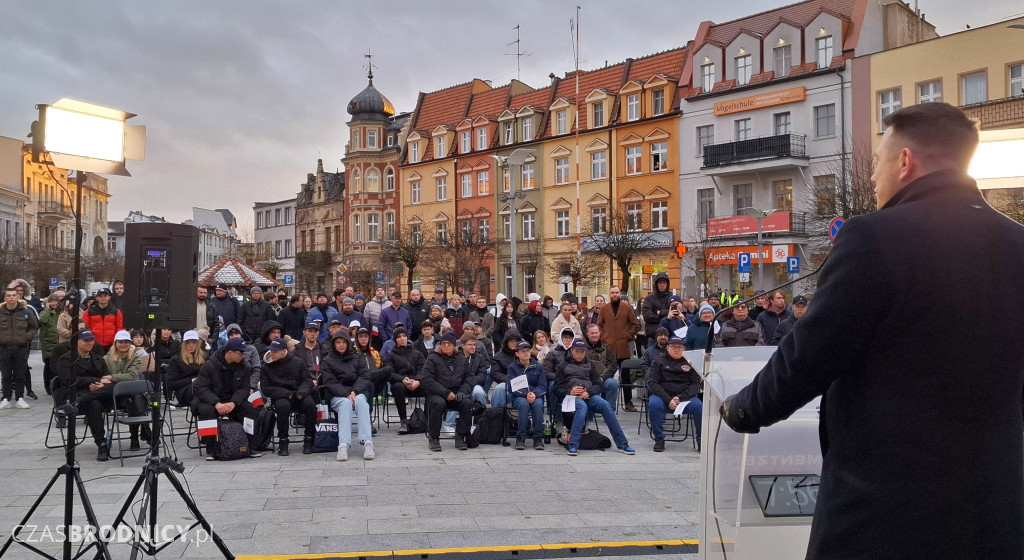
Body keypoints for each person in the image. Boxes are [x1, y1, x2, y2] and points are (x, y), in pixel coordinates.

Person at [721, 102, 1024, 558]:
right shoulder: (1017, 243)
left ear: (905, 162)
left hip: (887, 504)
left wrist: (743, 409)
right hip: (994, 505)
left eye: (879, 161)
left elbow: (811, 353)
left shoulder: (875, 236)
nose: (871, 177)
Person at [556, 339, 635, 456]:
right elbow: (556, 388)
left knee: (606, 405)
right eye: (577, 351)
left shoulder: (590, 364)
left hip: (588, 395)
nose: (580, 354)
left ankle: (622, 443)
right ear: (571, 350)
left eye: (582, 352)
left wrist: (589, 393)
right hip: (572, 397)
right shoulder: (563, 365)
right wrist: (570, 392)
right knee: (582, 407)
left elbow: (598, 385)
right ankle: (573, 444)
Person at [192, 337, 262, 460]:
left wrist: (234, 402)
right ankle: (211, 449)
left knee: (248, 408)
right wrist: (216, 403)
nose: (243, 356)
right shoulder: (210, 365)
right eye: (240, 353)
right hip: (210, 400)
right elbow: (200, 388)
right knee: (206, 411)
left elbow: (245, 388)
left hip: (232, 399)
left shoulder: (244, 367)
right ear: (230, 353)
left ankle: (250, 445)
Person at [53, 329, 113, 460]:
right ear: (76, 342)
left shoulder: (98, 359)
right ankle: (101, 443)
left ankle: (141, 434)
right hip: (76, 395)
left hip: (99, 393)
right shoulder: (66, 359)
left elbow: (106, 378)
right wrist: (95, 381)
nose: (90, 343)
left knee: (125, 391)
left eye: (91, 339)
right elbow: (67, 380)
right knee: (94, 404)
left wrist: (101, 384)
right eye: (86, 340)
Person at [322, 331, 375, 461]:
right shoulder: (327, 360)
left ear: (348, 343)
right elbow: (329, 382)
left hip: (357, 392)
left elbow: (364, 376)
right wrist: (346, 394)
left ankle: (367, 442)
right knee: (345, 404)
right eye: (338, 342)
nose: (341, 345)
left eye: (344, 342)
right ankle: (343, 445)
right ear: (333, 344)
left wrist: (354, 392)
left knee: (362, 402)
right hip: (337, 395)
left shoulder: (357, 357)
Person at [421, 332, 479, 452]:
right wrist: (445, 393)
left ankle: (460, 436)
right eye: (444, 344)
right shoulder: (432, 358)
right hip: (438, 394)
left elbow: (470, 378)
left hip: (457, 393)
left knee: (467, 403)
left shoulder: (461, 359)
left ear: (454, 346)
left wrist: (463, 391)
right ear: (440, 345)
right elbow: (427, 380)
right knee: (439, 403)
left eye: (449, 344)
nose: (446, 346)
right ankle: (434, 437)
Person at [261, 339, 316, 456]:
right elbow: (266, 388)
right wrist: (286, 394)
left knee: (310, 405)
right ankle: (283, 441)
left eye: (275, 351)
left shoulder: (298, 362)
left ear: (284, 351)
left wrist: (301, 392)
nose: (272, 353)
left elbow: (307, 380)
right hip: (280, 395)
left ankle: (309, 439)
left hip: (298, 393)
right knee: (282, 406)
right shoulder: (266, 367)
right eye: (271, 351)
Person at [647, 337, 702, 452]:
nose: (676, 350)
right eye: (673, 347)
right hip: (663, 397)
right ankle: (659, 439)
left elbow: (696, 384)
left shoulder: (691, 362)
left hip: (685, 398)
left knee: (699, 407)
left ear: (684, 349)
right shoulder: (658, 361)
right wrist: (668, 399)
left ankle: (700, 440)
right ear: (667, 348)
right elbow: (652, 383)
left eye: (679, 347)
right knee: (653, 404)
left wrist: (681, 398)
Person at [597, 285, 641, 410]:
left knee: (626, 376)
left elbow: (635, 325)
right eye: (612, 292)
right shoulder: (604, 309)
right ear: (609, 294)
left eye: (616, 292)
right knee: (606, 376)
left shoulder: (626, 308)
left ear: (620, 293)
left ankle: (628, 402)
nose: (615, 294)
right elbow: (599, 325)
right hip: (608, 348)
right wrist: (604, 337)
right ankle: (604, 403)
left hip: (623, 347)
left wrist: (628, 336)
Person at [105, 330, 145, 450]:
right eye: (121, 342)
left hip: (131, 394)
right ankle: (144, 430)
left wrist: (113, 377)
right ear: (115, 343)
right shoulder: (106, 359)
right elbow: (104, 377)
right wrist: (122, 376)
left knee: (135, 398)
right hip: (114, 395)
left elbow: (132, 376)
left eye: (126, 342)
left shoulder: (135, 357)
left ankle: (134, 436)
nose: (123, 344)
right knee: (135, 397)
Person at [0, 286, 38, 409]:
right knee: (5, 374)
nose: (11, 297)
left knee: (20, 374)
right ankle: (6, 398)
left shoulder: (26, 312)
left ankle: (19, 398)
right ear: (5, 298)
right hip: (4, 347)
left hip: (21, 348)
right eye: (9, 295)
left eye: (13, 295)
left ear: (17, 297)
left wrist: (26, 337)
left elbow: (34, 327)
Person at [383, 327, 426, 431]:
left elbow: (423, 370)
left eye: (404, 336)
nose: (402, 338)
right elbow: (389, 373)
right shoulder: (390, 356)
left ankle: (427, 419)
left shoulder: (417, 353)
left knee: (431, 386)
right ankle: (404, 421)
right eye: (399, 337)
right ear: (395, 340)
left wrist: (418, 381)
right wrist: (402, 379)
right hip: (400, 384)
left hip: (416, 382)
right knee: (397, 387)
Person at [507, 340, 546, 450]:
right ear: (517, 354)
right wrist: (525, 395)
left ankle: (538, 437)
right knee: (523, 405)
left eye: (528, 351)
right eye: (523, 351)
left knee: (538, 405)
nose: (526, 353)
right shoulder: (512, 367)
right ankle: (521, 437)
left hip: (535, 395)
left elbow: (543, 385)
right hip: (518, 396)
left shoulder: (538, 367)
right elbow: (511, 387)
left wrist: (535, 394)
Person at [583, 323, 620, 410]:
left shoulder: (606, 348)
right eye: (592, 333)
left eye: (596, 333)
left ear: (600, 333)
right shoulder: (581, 348)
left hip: (603, 379)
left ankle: (609, 410)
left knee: (613, 383)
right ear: (587, 334)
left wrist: (603, 377)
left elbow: (613, 365)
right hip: (586, 379)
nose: (594, 335)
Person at [166, 330, 205, 407]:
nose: (191, 345)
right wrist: (190, 380)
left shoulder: (204, 357)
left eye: (194, 342)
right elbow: (170, 384)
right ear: (184, 344)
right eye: (188, 342)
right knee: (198, 387)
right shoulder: (176, 359)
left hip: (202, 386)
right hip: (184, 391)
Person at [81, 287, 123, 352]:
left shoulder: (116, 311)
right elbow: (85, 327)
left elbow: (119, 328)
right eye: (100, 296)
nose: (103, 298)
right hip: (94, 344)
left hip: (111, 344)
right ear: (97, 298)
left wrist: (117, 341)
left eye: (105, 296)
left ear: (109, 297)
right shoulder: (89, 311)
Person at [641, 273, 672, 349]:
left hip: (670, 335)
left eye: (664, 283)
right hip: (653, 336)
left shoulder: (672, 297)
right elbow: (647, 316)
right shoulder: (649, 298)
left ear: (667, 284)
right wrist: (667, 317)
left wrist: (660, 312)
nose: (662, 285)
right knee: (652, 359)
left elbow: (675, 312)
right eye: (660, 283)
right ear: (656, 284)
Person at [38, 294, 61, 395]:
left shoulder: (60, 313)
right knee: (48, 365)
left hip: (59, 342)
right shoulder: (44, 313)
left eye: (56, 301)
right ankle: (47, 386)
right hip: (48, 343)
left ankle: (56, 384)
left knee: (58, 365)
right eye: (52, 301)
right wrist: (47, 310)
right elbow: (43, 320)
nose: (54, 303)